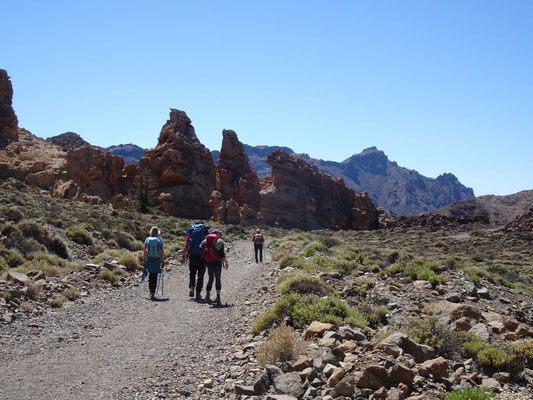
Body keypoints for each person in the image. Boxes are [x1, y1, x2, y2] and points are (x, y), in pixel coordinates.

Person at [200, 229, 229, 306]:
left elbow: (201, 248)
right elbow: (222, 254)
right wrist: (226, 262)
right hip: (217, 263)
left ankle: (208, 296)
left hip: (209, 263)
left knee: (210, 279)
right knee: (218, 279)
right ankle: (218, 298)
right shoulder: (219, 241)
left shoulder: (206, 241)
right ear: (217, 234)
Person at [181, 222, 209, 301]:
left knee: (192, 272)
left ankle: (191, 287)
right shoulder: (205, 231)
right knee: (201, 274)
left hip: (192, 255)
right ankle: (198, 293)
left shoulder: (191, 232)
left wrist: (183, 256)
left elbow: (187, 245)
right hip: (202, 256)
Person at [144, 226, 165, 300]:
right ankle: (153, 292)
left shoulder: (147, 239)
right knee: (155, 276)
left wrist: (144, 260)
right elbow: (162, 251)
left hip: (149, 259)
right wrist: (163, 260)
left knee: (150, 275)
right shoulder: (160, 240)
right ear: (157, 233)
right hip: (157, 259)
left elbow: (145, 250)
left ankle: (150, 292)